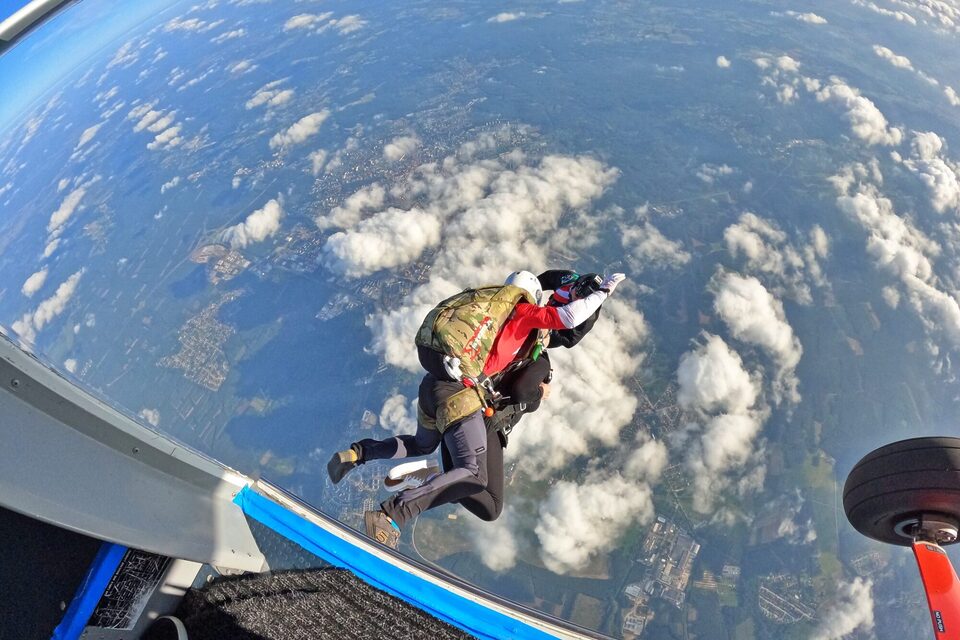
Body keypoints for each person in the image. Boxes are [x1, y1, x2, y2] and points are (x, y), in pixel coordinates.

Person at [327, 270, 627, 549]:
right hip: (460, 398)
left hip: (434, 383)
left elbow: (549, 282)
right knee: (473, 475)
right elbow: (568, 319)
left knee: (421, 444)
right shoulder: (523, 315)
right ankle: (393, 514)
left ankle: (358, 454)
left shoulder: (489, 316)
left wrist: (571, 286)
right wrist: (602, 293)